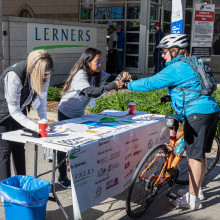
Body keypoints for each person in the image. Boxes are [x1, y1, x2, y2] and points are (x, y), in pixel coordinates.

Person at [126, 34, 220, 210]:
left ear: (175, 50)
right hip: (211, 110)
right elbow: (194, 86)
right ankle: (197, 191)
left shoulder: (177, 68)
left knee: (193, 158)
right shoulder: (193, 62)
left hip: (197, 114)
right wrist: (173, 95)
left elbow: (150, 83)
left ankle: (193, 200)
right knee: (200, 155)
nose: (162, 55)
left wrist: (128, 85)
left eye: (164, 51)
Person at [57, 47, 131, 188]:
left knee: (79, 144)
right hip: (66, 113)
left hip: (78, 114)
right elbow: (92, 92)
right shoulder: (80, 75)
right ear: (88, 61)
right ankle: (62, 176)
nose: (100, 64)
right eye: (97, 61)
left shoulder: (96, 73)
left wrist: (122, 75)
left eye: (101, 61)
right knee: (63, 146)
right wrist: (111, 86)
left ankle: (77, 171)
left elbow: (112, 79)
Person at [0, 49, 54, 182]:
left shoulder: (45, 71)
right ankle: (6, 190)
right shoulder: (14, 75)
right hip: (4, 111)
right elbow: (13, 110)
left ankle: (22, 182)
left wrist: (43, 120)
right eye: (45, 75)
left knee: (19, 146)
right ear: (36, 71)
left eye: (49, 74)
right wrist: (34, 126)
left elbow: (41, 98)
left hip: (20, 107)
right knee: (5, 150)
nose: (47, 77)